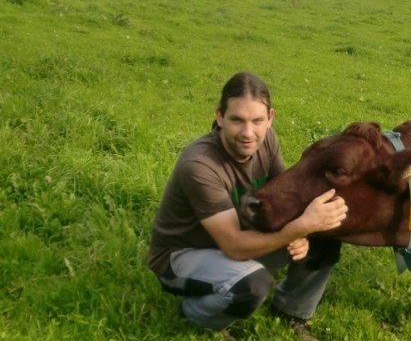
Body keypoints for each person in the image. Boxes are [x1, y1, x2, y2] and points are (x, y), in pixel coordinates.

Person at [147, 72, 348, 340]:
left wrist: (304, 232)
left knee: (325, 230)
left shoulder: (267, 140)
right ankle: (194, 314)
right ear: (219, 117)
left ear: (270, 118)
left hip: (238, 235)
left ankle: (291, 311)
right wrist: (297, 228)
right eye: (237, 120)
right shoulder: (199, 165)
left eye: (257, 121)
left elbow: (283, 201)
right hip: (184, 254)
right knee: (252, 285)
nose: (248, 133)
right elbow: (234, 245)